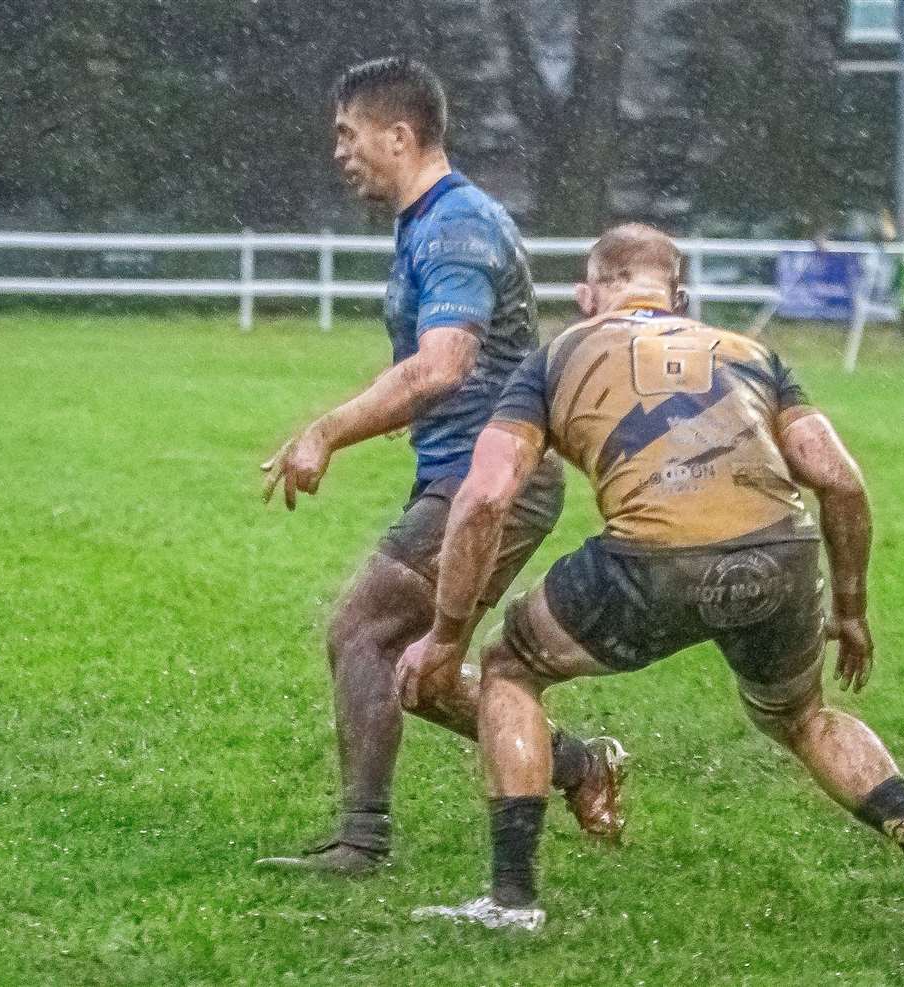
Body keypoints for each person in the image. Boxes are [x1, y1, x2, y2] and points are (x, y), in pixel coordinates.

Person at [404, 224, 904, 934]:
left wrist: (443, 634)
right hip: (782, 556)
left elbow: (487, 496)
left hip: (652, 562)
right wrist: (852, 609)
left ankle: (512, 900)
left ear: (588, 294)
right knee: (803, 717)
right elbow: (840, 481)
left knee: (507, 665)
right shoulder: (752, 353)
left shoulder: (557, 357)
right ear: (679, 296)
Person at [253, 56, 625, 875]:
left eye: (349, 135)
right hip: (471, 472)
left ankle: (362, 839)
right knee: (420, 669)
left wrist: (327, 431)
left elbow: (444, 364)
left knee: (363, 631)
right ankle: (578, 762)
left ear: (400, 134)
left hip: (494, 481)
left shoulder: (457, 225)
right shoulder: (427, 221)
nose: (340, 151)